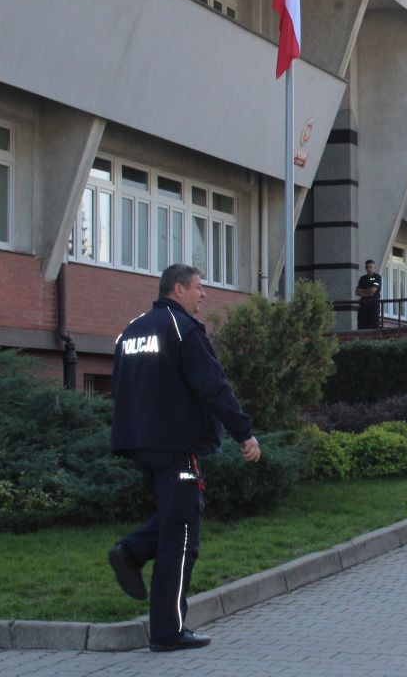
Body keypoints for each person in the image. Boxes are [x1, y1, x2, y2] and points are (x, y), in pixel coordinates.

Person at [108, 264, 261, 652]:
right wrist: (243, 432)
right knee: (183, 536)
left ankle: (132, 551)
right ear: (178, 289)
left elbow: (122, 386)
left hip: (140, 443)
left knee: (179, 517)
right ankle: (168, 631)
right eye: (198, 287)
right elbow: (213, 386)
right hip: (175, 445)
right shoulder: (182, 329)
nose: (203, 294)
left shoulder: (133, 329)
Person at [355, 259, 383, 329]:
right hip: (363, 307)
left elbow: (372, 291)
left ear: (374, 268)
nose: (369, 269)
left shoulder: (377, 277)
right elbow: (357, 292)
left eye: (371, 267)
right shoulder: (362, 278)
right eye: (367, 267)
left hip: (373, 307)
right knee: (361, 328)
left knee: (374, 329)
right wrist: (368, 292)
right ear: (365, 268)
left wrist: (363, 291)